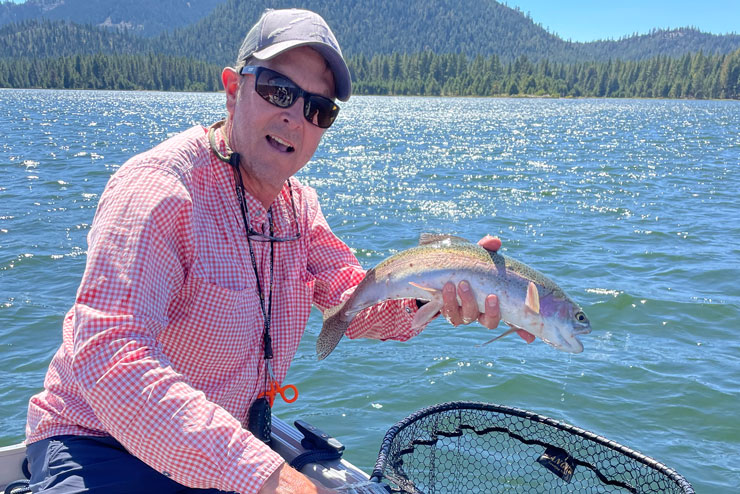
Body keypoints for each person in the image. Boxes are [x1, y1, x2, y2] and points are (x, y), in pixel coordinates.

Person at [24, 8, 532, 494]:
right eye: (278, 90)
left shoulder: (299, 209)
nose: (295, 118)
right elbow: (109, 356)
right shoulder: (159, 190)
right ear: (232, 88)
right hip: (99, 444)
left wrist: (438, 295)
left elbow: (353, 308)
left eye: (319, 109)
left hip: (223, 452)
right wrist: (271, 478)